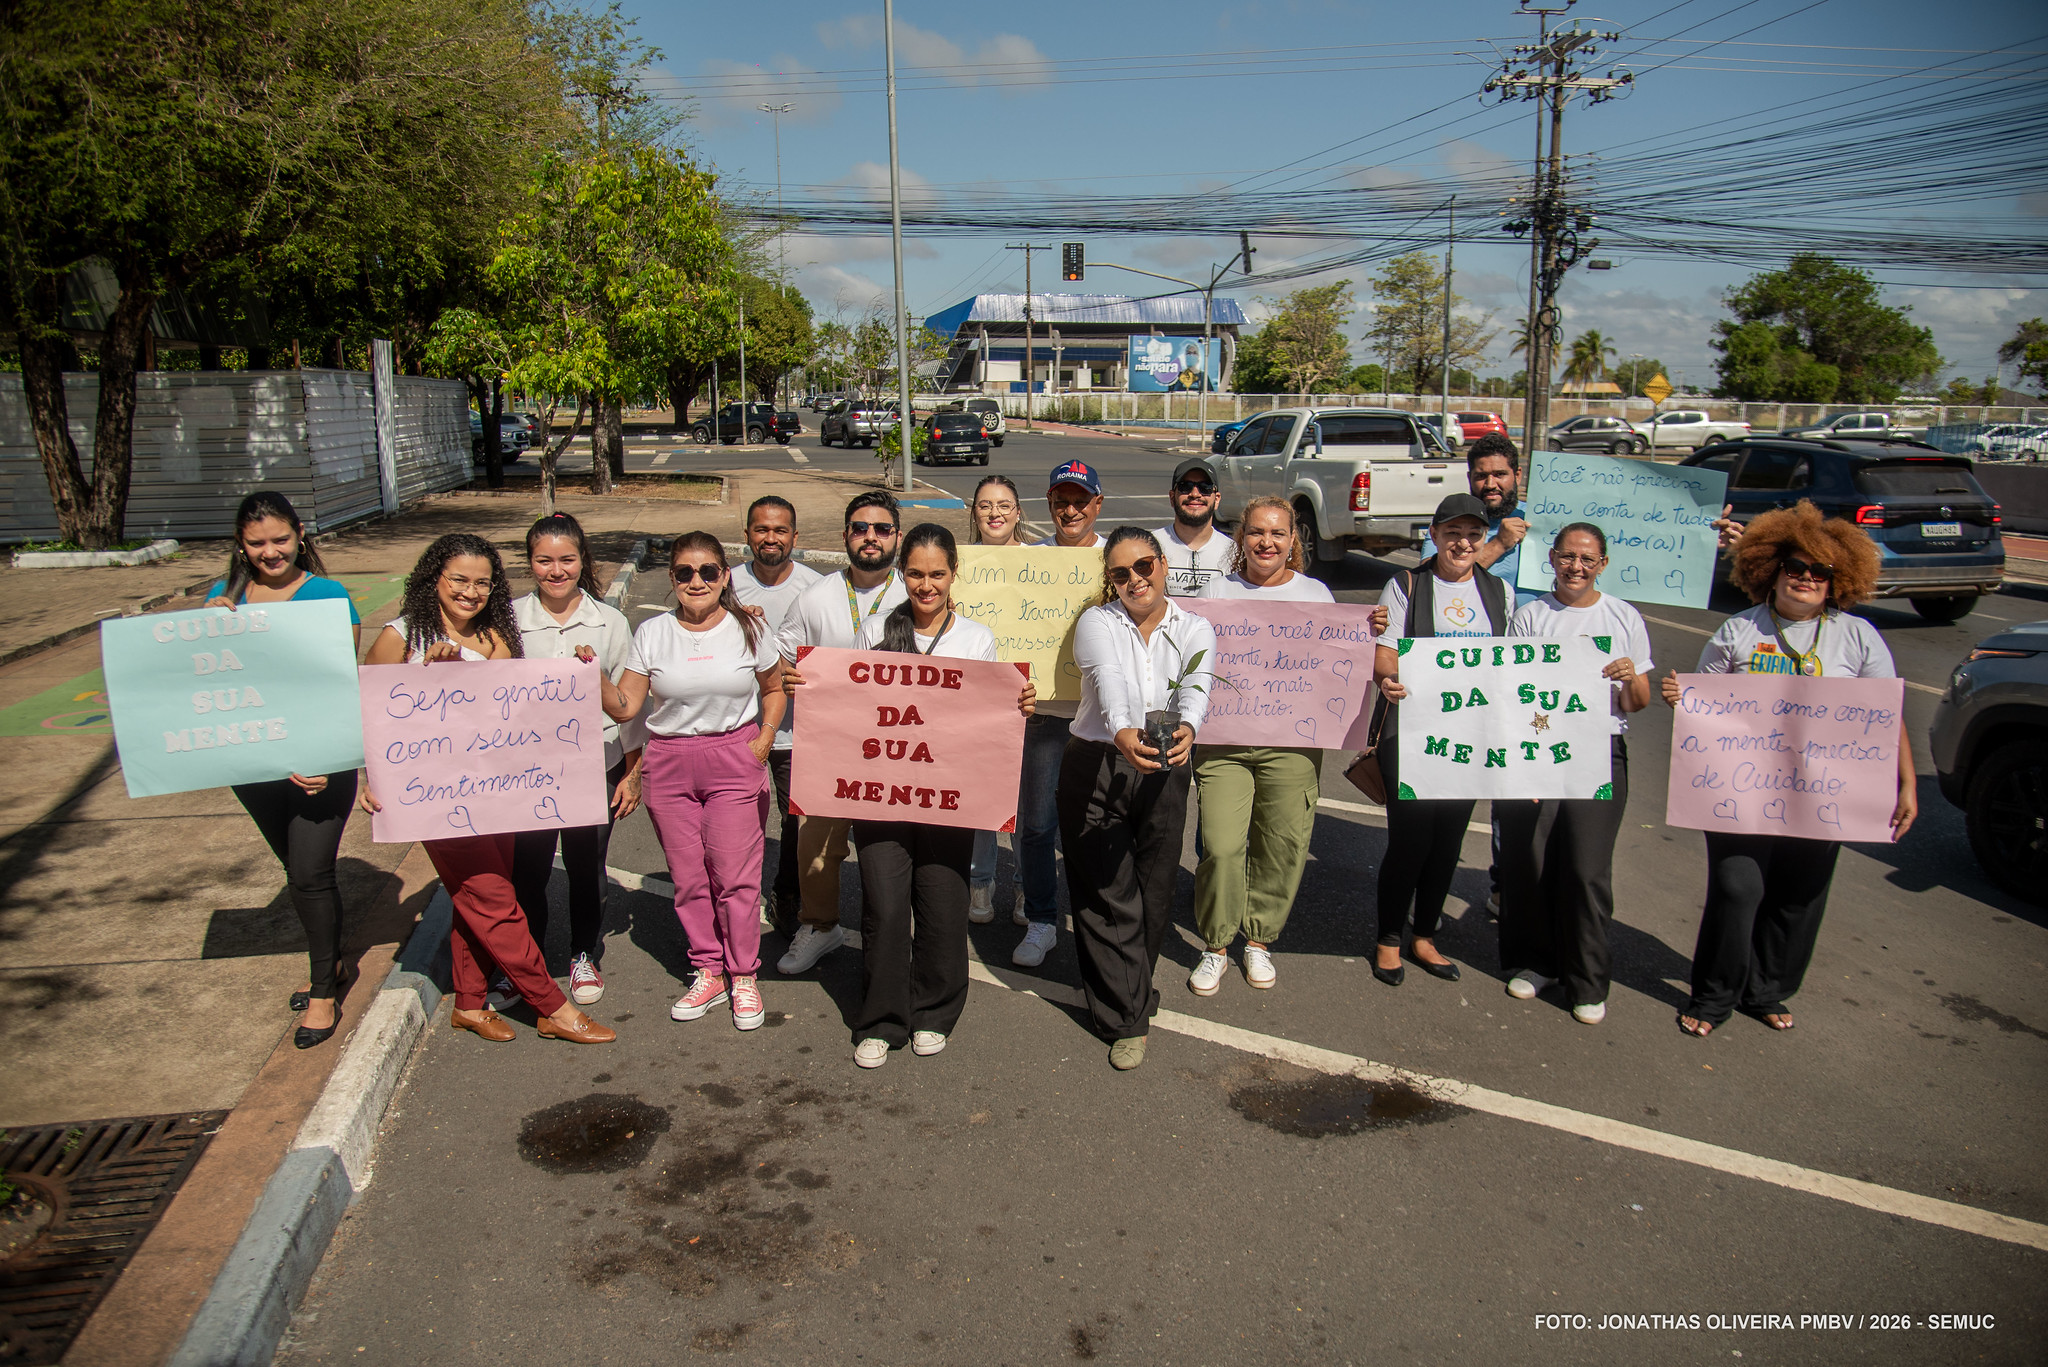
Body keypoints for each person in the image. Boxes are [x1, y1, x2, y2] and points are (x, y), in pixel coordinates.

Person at [1660, 501, 1916, 1038]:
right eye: (1794, 568)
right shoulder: (1737, 629)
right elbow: (1700, 703)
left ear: (1836, 581)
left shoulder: (1858, 636)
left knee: (1800, 895)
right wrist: (1679, 696)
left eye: (1818, 572)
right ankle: (1712, 997)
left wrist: (1906, 781)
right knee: (1738, 889)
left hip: (1825, 792)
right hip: (1739, 791)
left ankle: (1767, 991)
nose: (1804, 579)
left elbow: (1884, 718)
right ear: (1770, 571)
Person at [789, 524, 1036, 1068]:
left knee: (943, 904)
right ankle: (880, 1020)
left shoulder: (975, 638)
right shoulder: (876, 628)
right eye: (917, 574)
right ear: (903, 574)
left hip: (949, 801)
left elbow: (987, 716)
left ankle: (935, 1011)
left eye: (938, 574)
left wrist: (1017, 705)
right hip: (881, 799)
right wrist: (808, 688)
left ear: (954, 575)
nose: (927, 586)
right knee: (884, 904)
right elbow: (852, 704)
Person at [360, 534, 615, 1045]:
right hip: (434, 800)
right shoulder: (401, 636)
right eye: (458, 579)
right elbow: (368, 711)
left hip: (498, 794)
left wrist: (578, 678)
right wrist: (370, 777)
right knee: (495, 900)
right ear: (434, 577)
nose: (470, 591)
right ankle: (552, 1007)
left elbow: (514, 714)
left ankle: (471, 1004)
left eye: (482, 581)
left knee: (475, 898)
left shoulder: (498, 638)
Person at [1187, 498, 1386, 995]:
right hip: (1223, 743)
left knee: (1283, 845)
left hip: (1294, 745)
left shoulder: (1316, 594)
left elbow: (1341, 661)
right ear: (1241, 537)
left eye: (1278, 534)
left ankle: (1258, 940)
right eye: (1256, 532)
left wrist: (1370, 636)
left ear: (1293, 539)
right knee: (1222, 846)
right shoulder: (1215, 591)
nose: (1266, 543)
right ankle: (1216, 946)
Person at [603, 533, 786, 1031]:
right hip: (670, 763)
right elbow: (626, 707)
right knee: (688, 879)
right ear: (672, 579)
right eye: (684, 572)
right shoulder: (653, 632)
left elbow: (775, 688)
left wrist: (764, 738)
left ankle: (743, 975)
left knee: (734, 877)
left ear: (724, 575)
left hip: (734, 756)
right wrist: (591, 675)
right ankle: (708, 969)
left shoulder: (749, 628)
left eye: (708, 571)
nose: (696, 581)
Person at [204, 492, 362, 1049]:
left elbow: (338, 684)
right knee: (296, 871)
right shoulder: (222, 598)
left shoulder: (327, 594)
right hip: (255, 763)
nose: (269, 552)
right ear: (241, 545)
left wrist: (319, 754)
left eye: (278, 539)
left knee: (311, 874)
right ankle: (334, 963)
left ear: (299, 534)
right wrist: (205, 630)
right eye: (256, 543)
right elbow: (212, 687)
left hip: (318, 763)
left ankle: (323, 991)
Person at [1061, 527, 1216, 1070]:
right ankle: (1124, 1018)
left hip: (1167, 762)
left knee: (1153, 885)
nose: (1135, 580)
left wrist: (1189, 727)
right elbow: (1109, 679)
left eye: (1144, 566)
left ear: (1163, 564)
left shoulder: (1195, 626)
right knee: (1106, 890)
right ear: (1110, 579)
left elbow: (1197, 685)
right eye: (1121, 573)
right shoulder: (1097, 622)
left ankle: (1130, 986)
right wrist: (1123, 730)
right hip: (1098, 761)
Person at [1499, 523, 1653, 1025]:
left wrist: (1631, 676)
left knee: (1586, 871)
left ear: (1602, 564)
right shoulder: (1531, 616)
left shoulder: (1622, 616)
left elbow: (1639, 702)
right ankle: (1539, 962)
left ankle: (1586, 980)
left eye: (1587, 559)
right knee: (1535, 861)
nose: (1576, 567)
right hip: (1538, 750)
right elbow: (1512, 691)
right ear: (1552, 559)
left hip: (1600, 753)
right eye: (1567, 557)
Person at [1370, 494, 1511, 988]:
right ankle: (1389, 937)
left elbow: (1512, 664)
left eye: (1474, 533)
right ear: (1434, 534)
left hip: (1469, 736)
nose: (1463, 542)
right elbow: (1384, 655)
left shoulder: (1498, 591)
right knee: (1411, 840)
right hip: (1412, 731)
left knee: (1448, 842)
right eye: (1453, 532)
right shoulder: (1407, 583)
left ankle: (1424, 934)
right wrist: (1389, 680)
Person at [772, 493, 908, 975]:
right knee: (816, 849)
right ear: (845, 535)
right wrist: (787, 678)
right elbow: (782, 657)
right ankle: (820, 925)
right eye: (859, 528)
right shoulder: (814, 598)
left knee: (891, 852)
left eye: (881, 528)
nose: (870, 536)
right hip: (831, 747)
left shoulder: (915, 593)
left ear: (897, 536)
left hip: (899, 751)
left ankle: (892, 934)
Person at [510, 513, 642, 1008]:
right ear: (531, 564)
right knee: (530, 870)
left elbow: (631, 704)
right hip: (528, 771)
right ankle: (527, 960)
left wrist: (632, 772)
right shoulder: (507, 619)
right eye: (544, 560)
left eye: (567, 559)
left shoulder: (610, 622)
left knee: (588, 867)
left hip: (596, 763)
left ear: (582, 561)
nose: (556, 570)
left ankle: (584, 953)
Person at [1421, 431, 1538, 916]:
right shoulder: (1465, 526)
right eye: (1481, 474)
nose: (1491, 483)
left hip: (1533, 677)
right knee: (1457, 786)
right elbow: (1440, 578)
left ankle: (1508, 885)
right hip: (1464, 683)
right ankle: (1424, 895)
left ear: (1516, 477)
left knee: (1519, 793)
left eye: (1500, 474)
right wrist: (1497, 543)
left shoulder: (1543, 521)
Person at [1013, 460, 1107, 969]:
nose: (1070, 510)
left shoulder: (1115, 561)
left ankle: (1096, 920)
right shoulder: (1029, 559)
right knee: (1036, 826)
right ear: (1049, 504)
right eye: (1061, 501)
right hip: (1044, 715)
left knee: (1095, 826)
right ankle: (1043, 919)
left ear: (1097, 505)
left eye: (1080, 500)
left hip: (1101, 718)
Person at [730, 496, 823, 936]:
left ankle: (787, 893)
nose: (771, 538)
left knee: (794, 820)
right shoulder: (721, 584)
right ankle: (733, 900)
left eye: (780, 530)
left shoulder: (815, 588)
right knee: (737, 823)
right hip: (735, 727)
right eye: (762, 529)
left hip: (793, 730)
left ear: (795, 537)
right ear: (747, 534)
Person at [965, 474, 1025, 925]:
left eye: (1004, 505)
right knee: (981, 799)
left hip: (1031, 705)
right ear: (974, 513)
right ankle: (980, 883)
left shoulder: (1045, 564)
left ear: (1018, 513)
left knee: (1028, 806)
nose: (995, 514)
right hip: (975, 704)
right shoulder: (959, 564)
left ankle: (1026, 885)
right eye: (985, 505)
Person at [1153, 457, 1235, 598]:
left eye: (1205, 488)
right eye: (1186, 486)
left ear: (1216, 499)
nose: (1195, 494)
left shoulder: (1234, 552)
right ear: (1172, 497)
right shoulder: (1150, 545)